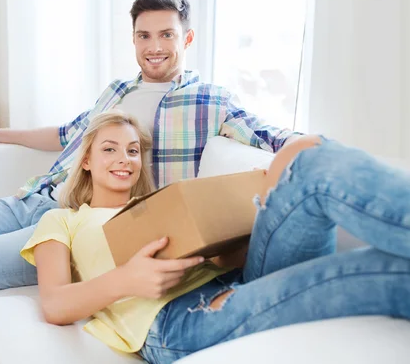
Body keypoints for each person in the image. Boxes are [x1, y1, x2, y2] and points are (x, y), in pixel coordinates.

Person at [0, 0, 300, 363]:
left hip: (80, 224)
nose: (154, 45)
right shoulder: (118, 90)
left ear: (187, 38)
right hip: (37, 199)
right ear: (134, 39)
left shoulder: (211, 100)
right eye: (144, 35)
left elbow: (269, 134)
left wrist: (316, 147)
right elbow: (67, 132)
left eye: (166, 34)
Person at [23, 109, 410, 364]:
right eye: (110, 149)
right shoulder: (62, 219)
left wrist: (230, 234)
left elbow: (228, 259)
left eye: (133, 150)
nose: (125, 159)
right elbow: (55, 304)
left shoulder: (165, 205)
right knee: (382, 269)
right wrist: (128, 279)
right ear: (87, 160)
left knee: (308, 152)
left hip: (233, 280)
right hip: (177, 320)